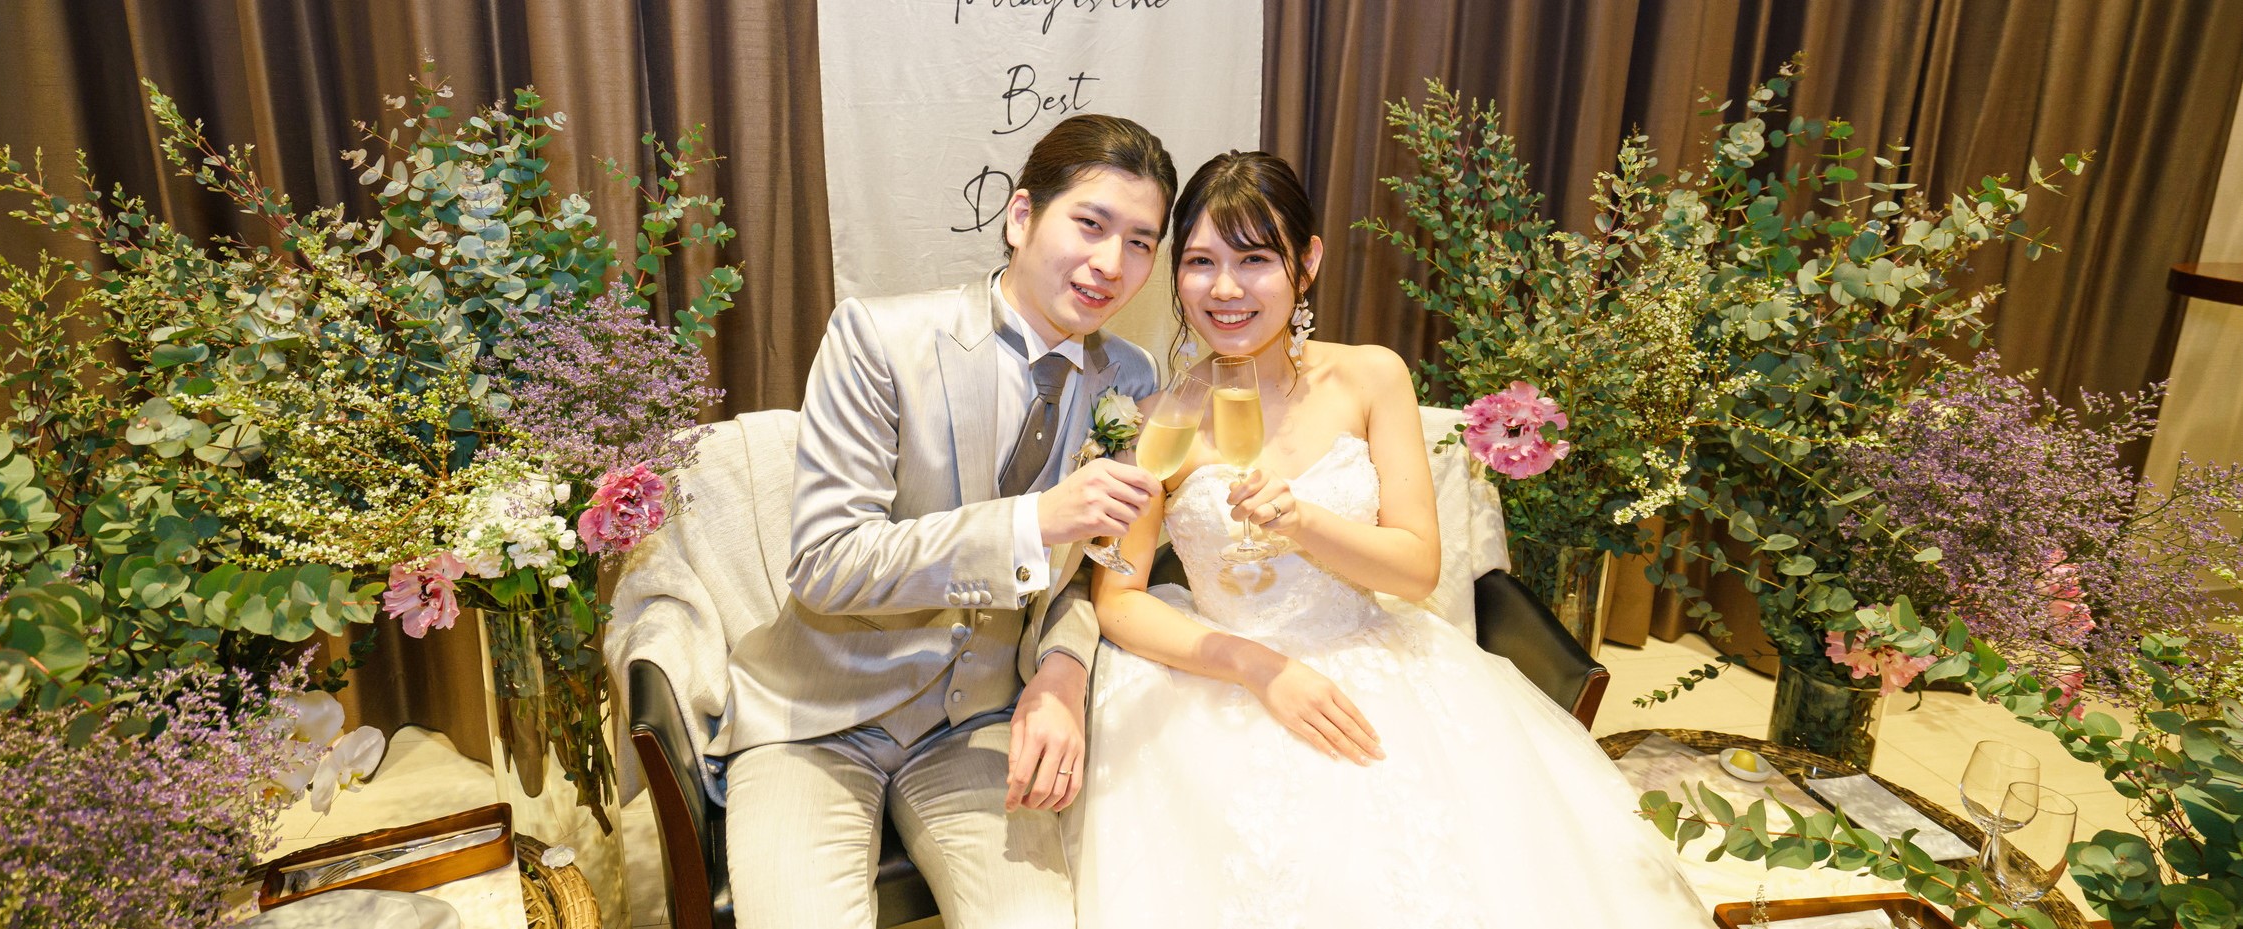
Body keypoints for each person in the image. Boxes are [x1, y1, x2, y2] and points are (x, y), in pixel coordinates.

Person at [1076, 151, 1712, 928]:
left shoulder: (1373, 377)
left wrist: (1302, 522)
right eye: (1201, 262)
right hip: (1222, 673)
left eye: (1255, 260)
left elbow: (1416, 570)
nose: (1226, 288)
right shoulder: (1161, 417)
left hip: (1371, 657)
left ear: (1307, 262)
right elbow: (1119, 598)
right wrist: (1258, 667)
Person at [712, 114, 1171, 929]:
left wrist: (1063, 672)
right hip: (815, 719)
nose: (1111, 263)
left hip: (979, 722)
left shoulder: (1129, 380)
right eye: (1091, 224)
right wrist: (1033, 521)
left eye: (1141, 242)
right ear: (1021, 216)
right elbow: (826, 561)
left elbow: (1094, 567)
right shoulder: (878, 338)